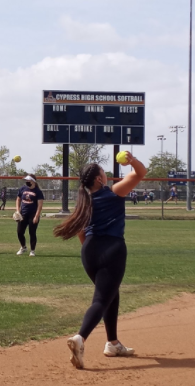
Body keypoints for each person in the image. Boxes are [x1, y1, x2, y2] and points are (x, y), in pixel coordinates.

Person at [53, 153, 148, 369]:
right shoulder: (114, 192)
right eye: (103, 172)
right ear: (98, 179)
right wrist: (131, 160)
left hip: (89, 251)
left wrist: (92, 250)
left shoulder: (84, 202)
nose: (106, 175)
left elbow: (80, 233)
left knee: (110, 294)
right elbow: (142, 172)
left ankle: (113, 343)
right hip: (112, 249)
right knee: (101, 300)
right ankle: (80, 338)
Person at [15, 175, 44, 256]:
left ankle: (32, 251)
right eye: (26, 180)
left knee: (32, 232)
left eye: (28, 180)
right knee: (19, 232)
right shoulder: (22, 189)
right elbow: (18, 199)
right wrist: (18, 210)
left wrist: (36, 216)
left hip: (33, 214)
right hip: (23, 214)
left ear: (33, 181)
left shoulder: (38, 192)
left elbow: (40, 206)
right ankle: (23, 247)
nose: (26, 182)